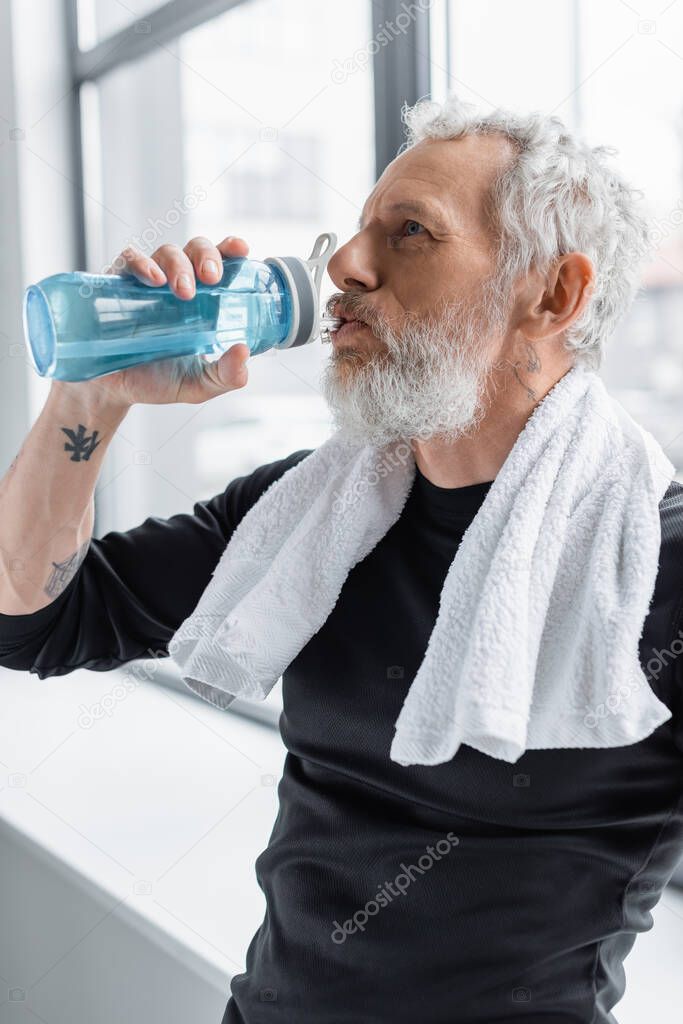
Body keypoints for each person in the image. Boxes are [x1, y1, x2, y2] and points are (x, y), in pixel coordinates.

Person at [1, 93, 682, 1023]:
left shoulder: (652, 564)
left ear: (554, 295)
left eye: (409, 233)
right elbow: (32, 619)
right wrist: (90, 399)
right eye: (356, 232)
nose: (349, 267)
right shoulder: (309, 513)